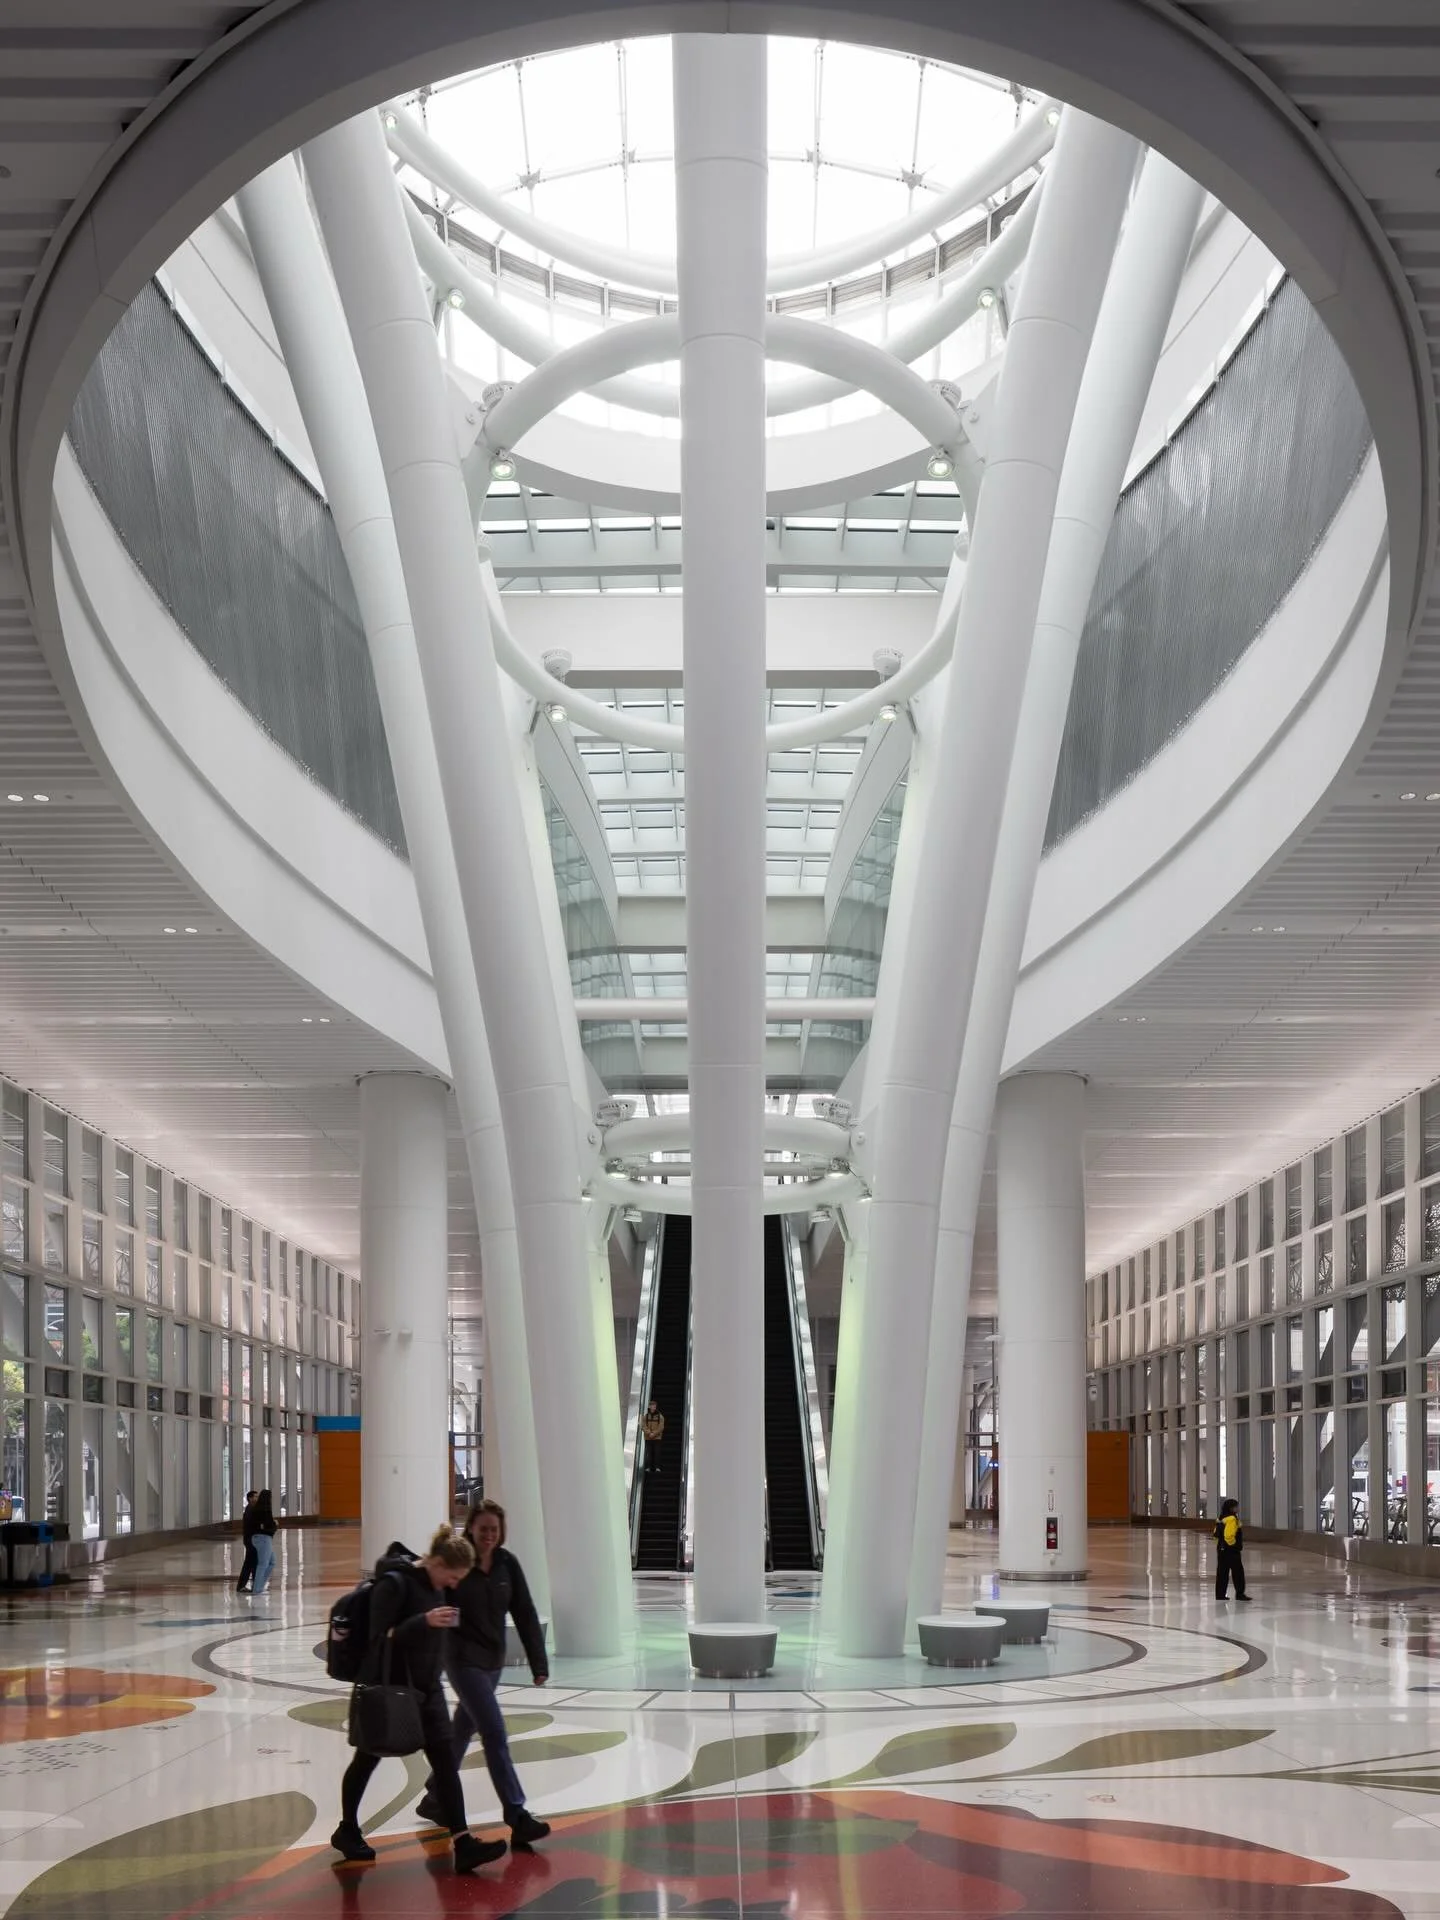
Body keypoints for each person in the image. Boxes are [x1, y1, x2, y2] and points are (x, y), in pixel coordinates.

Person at [334, 1526, 507, 1873]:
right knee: (367, 1758)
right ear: (439, 1563)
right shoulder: (395, 1584)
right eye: (454, 1576)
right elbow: (380, 1638)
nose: (455, 1584)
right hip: (390, 1689)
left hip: (427, 1690)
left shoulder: (436, 1585)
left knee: (444, 1763)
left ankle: (463, 1842)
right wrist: (423, 1621)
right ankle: (347, 1829)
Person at [418, 1500, 551, 1848]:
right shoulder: (460, 1561)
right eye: (484, 1529)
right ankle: (516, 1813)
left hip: (492, 1660)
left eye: (495, 1529)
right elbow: (436, 1601)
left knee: (463, 1728)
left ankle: (434, 1796)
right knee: (494, 1732)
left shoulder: (507, 1564)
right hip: (461, 1659)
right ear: (472, 1529)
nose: (490, 1535)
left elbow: (524, 1610)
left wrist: (539, 1663)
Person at [1214, 1497, 1250, 1601]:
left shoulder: (1221, 1518)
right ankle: (1240, 1594)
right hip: (1231, 1550)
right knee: (1238, 1572)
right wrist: (1233, 1546)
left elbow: (1216, 1534)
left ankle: (1220, 1595)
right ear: (1231, 1508)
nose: (1237, 1508)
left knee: (1222, 1573)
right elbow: (1229, 1536)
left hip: (1221, 1549)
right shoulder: (1232, 1519)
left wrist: (1221, 1546)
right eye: (1236, 1506)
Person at [248, 1488, 278, 1596]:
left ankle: (259, 1586)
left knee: (272, 1562)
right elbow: (268, 1525)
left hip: (259, 1538)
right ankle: (257, 1589)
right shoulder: (265, 1510)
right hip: (264, 1539)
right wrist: (275, 1523)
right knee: (263, 1564)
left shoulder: (257, 1509)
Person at [236, 1489, 259, 1593]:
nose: (257, 1498)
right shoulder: (250, 1510)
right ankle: (242, 1586)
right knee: (250, 1563)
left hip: (251, 1539)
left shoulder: (252, 1509)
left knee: (253, 1563)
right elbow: (252, 1526)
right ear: (250, 1498)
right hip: (251, 1540)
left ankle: (255, 1585)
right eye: (255, 1496)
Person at [642, 1400, 665, 1476]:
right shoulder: (646, 1416)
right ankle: (648, 1467)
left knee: (657, 1452)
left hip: (657, 1438)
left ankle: (657, 1467)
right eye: (652, 1405)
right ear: (649, 1406)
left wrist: (654, 1433)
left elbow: (661, 1427)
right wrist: (649, 1433)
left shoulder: (660, 1416)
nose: (653, 1407)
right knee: (649, 1453)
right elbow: (643, 1426)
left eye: (654, 1406)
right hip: (648, 1438)